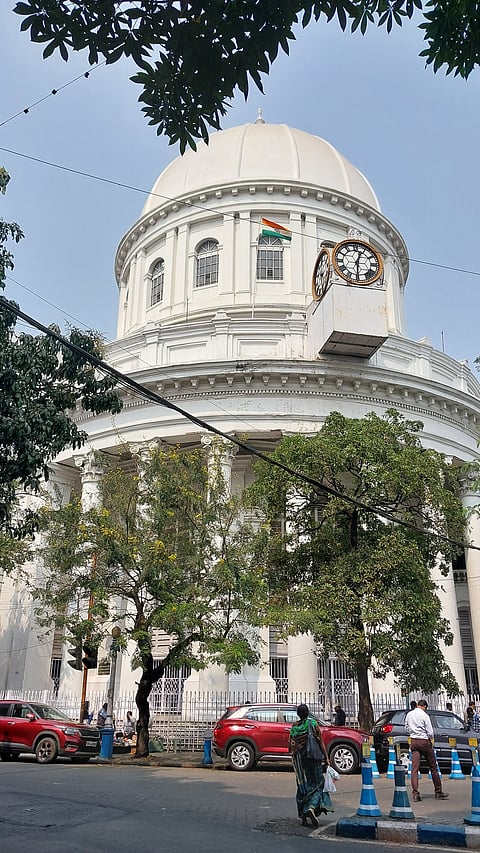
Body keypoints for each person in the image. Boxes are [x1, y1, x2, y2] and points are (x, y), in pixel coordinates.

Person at [288, 703, 334, 828]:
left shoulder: (295, 727)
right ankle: (311, 807)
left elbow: (291, 748)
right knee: (319, 785)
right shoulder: (313, 724)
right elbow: (320, 741)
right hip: (314, 759)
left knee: (304, 786)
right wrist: (327, 758)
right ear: (308, 713)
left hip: (301, 763)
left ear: (298, 714)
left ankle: (303, 816)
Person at [405, 699, 448, 802]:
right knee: (433, 766)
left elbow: (407, 728)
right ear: (424, 706)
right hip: (424, 741)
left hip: (414, 741)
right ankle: (438, 791)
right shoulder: (424, 716)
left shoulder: (409, 714)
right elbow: (430, 731)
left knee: (414, 769)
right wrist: (430, 739)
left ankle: (415, 793)